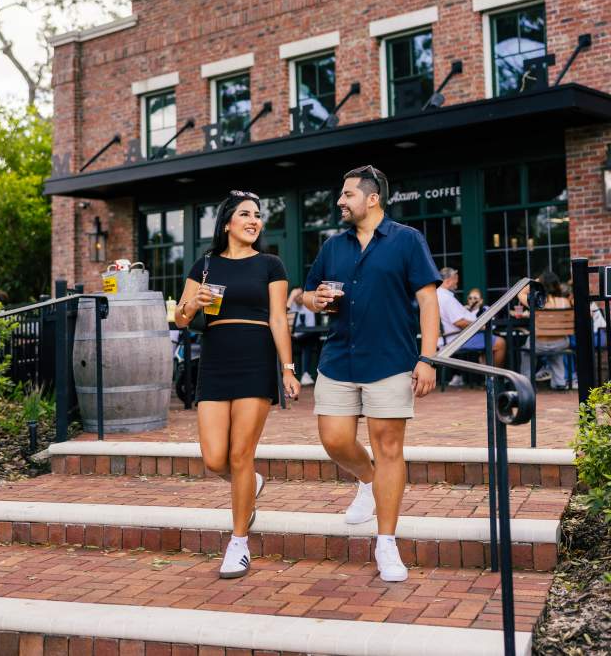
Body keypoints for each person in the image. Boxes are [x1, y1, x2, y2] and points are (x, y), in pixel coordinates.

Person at [302, 165, 440, 583]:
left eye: (347, 195)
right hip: (339, 358)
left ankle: (386, 542)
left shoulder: (407, 241)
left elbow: (429, 303)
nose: (340, 202)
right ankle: (366, 481)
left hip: (390, 360)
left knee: (390, 449)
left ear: (372, 197)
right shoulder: (333, 246)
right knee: (335, 439)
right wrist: (317, 300)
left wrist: (427, 358)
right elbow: (307, 294)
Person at [175, 190, 301, 579]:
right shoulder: (205, 264)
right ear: (227, 222)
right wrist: (194, 303)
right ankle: (252, 484)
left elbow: (279, 318)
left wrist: (287, 368)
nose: (254, 220)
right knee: (216, 458)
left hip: (255, 357)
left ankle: (239, 543)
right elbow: (181, 319)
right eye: (245, 214)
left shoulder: (270, 264)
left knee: (241, 454)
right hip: (214, 360)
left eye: (258, 215)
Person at [437, 268, 506, 386]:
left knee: (489, 342)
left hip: (454, 337)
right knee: (500, 343)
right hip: (457, 339)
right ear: (448, 281)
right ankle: (495, 379)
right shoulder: (446, 298)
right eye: (455, 280)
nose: (457, 283)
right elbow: (459, 322)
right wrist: (480, 326)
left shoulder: (439, 295)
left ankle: (488, 376)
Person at [517, 269, 570, 389]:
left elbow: (520, 294)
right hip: (560, 343)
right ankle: (560, 382)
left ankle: (526, 384)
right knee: (556, 350)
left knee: (526, 352)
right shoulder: (565, 301)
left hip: (539, 344)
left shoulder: (537, 302)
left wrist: (535, 282)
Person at [287, 286, 317, 385]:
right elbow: (281, 317)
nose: (300, 297)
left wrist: (298, 335)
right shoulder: (290, 305)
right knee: (286, 344)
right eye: (297, 295)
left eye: (301, 295)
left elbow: (311, 327)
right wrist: (291, 298)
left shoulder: (307, 305)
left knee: (308, 341)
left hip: (305, 336)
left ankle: (305, 374)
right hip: (290, 336)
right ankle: (289, 374)